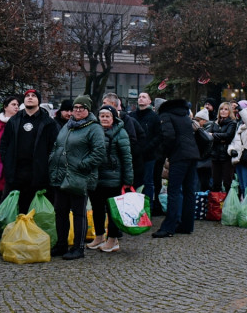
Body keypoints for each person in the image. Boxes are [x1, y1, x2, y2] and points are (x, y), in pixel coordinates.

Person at [48, 95, 106, 259]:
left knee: (79, 212)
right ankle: (61, 244)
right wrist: (53, 158)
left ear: (88, 110)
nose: (78, 110)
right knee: (60, 211)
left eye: (82, 108)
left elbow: (99, 152)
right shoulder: (68, 125)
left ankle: (78, 248)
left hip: (79, 176)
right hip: (61, 175)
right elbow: (58, 145)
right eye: (75, 108)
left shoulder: (94, 128)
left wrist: (83, 165)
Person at [0, 89, 58, 214]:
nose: (30, 98)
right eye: (27, 96)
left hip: (39, 175)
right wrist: (8, 162)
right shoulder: (14, 121)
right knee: (16, 212)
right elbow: (4, 144)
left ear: (38, 101)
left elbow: (55, 147)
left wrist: (46, 166)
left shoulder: (48, 123)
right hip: (16, 175)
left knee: (36, 213)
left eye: (33, 96)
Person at [152, 99, 199, 238]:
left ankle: (168, 227)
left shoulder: (166, 116)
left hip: (179, 156)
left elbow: (168, 136)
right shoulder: (184, 115)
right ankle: (187, 225)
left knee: (173, 191)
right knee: (189, 191)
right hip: (192, 154)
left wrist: (165, 153)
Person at [88, 105, 132, 254]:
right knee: (97, 208)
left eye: (108, 116)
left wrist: (128, 179)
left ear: (113, 118)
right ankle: (99, 236)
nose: (104, 119)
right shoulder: (94, 131)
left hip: (114, 178)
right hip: (96, 177)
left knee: (113, 210)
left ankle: (113, 239)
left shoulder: (121, 133)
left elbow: (127, 158)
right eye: (102, 116)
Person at [129, 92, 163, 214]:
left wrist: (148, 148)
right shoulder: (132, 116)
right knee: (134, 181)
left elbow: (158, 136)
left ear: (149, 101)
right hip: (134, 155)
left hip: (149, 155)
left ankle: (147, 208)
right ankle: (134, 208)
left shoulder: (154, 117)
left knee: (148, 182)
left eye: (144, 97)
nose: (141, 99)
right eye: (139, 97)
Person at [204, 101, 238, 193]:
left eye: (226, 109)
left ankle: (229, 205)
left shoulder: (232, 123)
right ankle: (216, 206)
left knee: (227, 183)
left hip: (226, 155)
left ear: (229, 111)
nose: (223, 111)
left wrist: (214, 135)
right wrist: (219, 137)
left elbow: (228, 136)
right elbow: (208, 135)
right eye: (221, 109)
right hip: (215, 155)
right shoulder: (215, 122)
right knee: (216, 183)